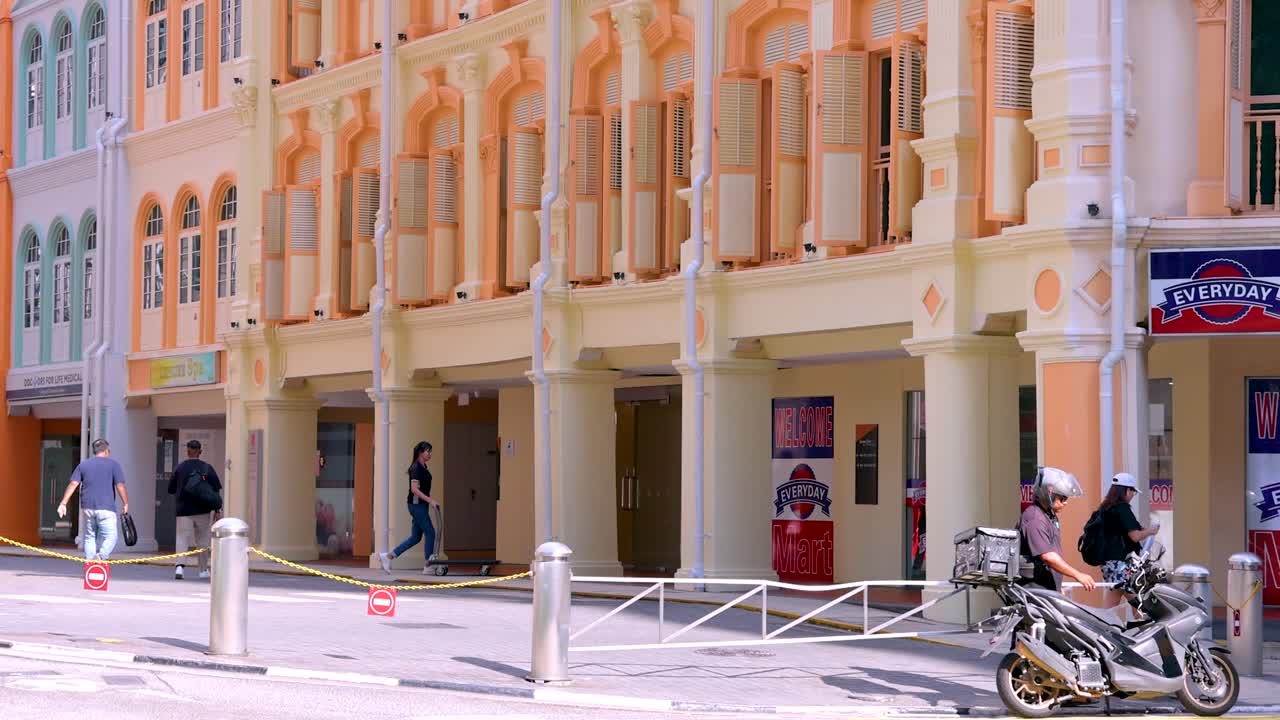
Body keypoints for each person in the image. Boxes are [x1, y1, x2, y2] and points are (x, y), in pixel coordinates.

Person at [1018, 466, 1097, 593]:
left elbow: (1053, 553)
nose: (1065, 502)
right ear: (1048, 494)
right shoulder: (1034, 518)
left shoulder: (1049, 517)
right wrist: (1078, 575)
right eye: (1062, 498)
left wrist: (1057, 586)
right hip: (1033, 591)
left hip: (1046, 589)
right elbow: (1048, 556)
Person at [56, 438, 129, 561]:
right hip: (106, 507)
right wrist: (125, 503)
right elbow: (120, 486)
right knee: (111, 536)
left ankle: (90, 564)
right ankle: (101, 556)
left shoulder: (84, 465)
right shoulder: (113, 465)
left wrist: (63, 503)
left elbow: (74, 483)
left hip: (88, 507)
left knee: (90, 536)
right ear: (106, 451)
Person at [378, 441, 438, 575]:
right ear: (420, 453)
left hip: (421, 506)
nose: (430, 454)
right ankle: (428, 565)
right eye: (428, 451)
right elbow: (414, 490)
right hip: (416, 506)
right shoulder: (416, 468)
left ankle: (388, 557)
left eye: (430, 451)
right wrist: (431, 501)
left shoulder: (423, 467)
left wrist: (429, 502)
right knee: (431, 532)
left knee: (416, 537)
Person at [168, 439, 223, 580]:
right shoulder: (207, 468)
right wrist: (217, 509)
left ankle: (179, 567)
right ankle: (203, 570)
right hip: (203, 510)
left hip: (183, 510)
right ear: (200, 452)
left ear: (188, 451)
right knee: (203, 539)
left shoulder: (180, 468)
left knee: (182, 538)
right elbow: (216, 489)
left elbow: (171, 489)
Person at [1096, 472, 1160, 590]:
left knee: (1115, 598)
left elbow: (1127, 530)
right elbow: (1135, 536)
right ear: (1126, 490)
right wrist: (1151, 531)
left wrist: (1144, 531)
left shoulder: (1106, 507)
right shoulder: (1122, 508)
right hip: (1120, 563)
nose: (1133, 495)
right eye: (1133, 491)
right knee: (1138, 598)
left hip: (1108, 563)